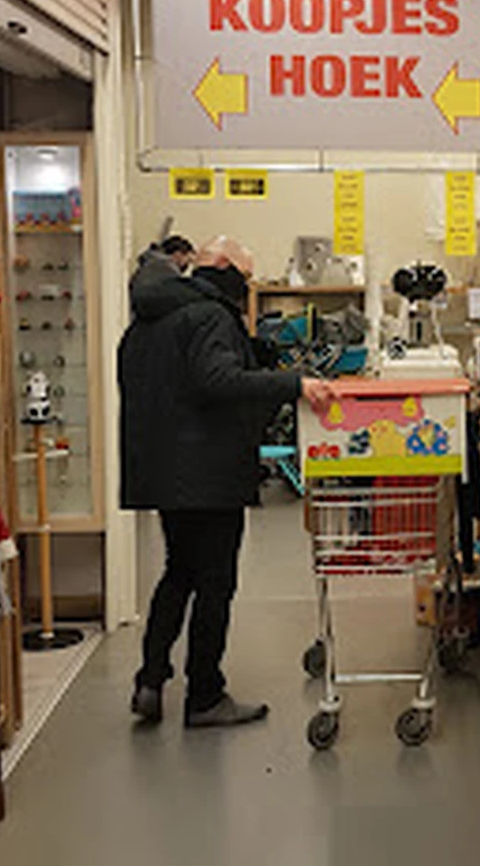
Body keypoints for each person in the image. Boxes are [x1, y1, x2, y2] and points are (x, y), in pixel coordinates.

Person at [119, 235, 335, 727]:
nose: (247, 287)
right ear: (221, 265)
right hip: (209, 471)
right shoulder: (209, 315)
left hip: (163, 470)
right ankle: (205, 696)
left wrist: (254, 353)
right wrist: (294, 383)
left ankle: (150, 681)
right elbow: (216, 380)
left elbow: (176, 381)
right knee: (215, 583)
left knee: (178, 572)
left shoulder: (148, 318)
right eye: (245, 276)